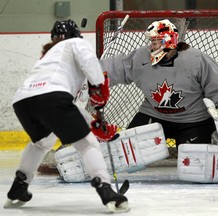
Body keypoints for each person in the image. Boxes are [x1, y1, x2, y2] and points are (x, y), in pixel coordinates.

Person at [4, 19, 128, 212]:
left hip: (23, 101)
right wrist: (98, 84)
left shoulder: (48, 56)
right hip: (52, 98)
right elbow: (89, 68)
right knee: (87, 144)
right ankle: (106, 189)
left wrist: (92, 123)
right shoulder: (76, 43)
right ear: (76, 34)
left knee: (41, 143)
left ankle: (19, 187)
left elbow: (66, 109)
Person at [99, 19, 218, 148]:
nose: (154, 46)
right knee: (129, 149)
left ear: (170, 41)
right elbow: (117, 67)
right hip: (154, 114)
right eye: (152, 42)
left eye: (158, 41)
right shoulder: (141, 57)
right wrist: (91, 75)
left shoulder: (196, 60)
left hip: (194, 120)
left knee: (193, 160)